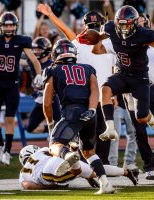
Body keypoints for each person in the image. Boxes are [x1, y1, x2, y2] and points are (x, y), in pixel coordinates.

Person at [77, 6, 154, 158]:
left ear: (135, 24)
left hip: (140, 78)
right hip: (122, 74)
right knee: (105, 89)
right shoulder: (110, 28)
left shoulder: (144, 34)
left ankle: (149, 118)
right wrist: (96, 38)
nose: (124, 28)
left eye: (127, 24)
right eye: (121, 24)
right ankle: (110, 127)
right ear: (116, 23)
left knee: (141, 117)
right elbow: (97, 46)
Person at [37, 4, 115, 165]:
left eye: (96, 26)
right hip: (89, 99)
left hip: (101, 97)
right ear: (85, 27)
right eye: (91, 26)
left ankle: (101, 168)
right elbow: (65, 30)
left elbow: (116, 69)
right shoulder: (79, 44)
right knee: (89, 139)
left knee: (103, 137)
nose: (93, 30)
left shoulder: (109, 45)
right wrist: (51, 15)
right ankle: (92, 169)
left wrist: (116, 93)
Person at [43, 39, 115, 194]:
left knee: (55, 144)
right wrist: (92, 110)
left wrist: (50, 122)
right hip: (90, 113)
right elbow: (95, 89)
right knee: (89, 151)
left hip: (71, 112)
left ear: (55, 54)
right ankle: (105, 183)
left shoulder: (53, 70)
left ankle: (69, 155)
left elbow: (47, 102)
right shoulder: (88, 68)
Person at [0, 12, 43, 165]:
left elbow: (33, 59)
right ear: (1, 26)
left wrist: (39, 74)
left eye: (11, 25)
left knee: (10, 118)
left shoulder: (22, 40)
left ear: (15, 26)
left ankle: (7, 151)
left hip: (12, 85)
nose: (9, 28)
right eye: (6, 25)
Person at [19, 145, 139, 190]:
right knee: (94, 171)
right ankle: (126, 172)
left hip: (46, 172)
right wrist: (88, 178)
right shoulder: (42, 151)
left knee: (62, 177)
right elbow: (55, 150)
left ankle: (73, 161)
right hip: (56, 159)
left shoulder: (23, 172)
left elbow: (28, 185)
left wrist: (49, 185)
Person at [25, 37, 61, 134]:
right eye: (34, 49)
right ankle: (50, 130)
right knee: (30, 128)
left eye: (39, 49)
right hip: (40, 101)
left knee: (59, 125)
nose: (36, 51)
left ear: (46, 50)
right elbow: (21, 61)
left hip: (53, 101)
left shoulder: (53, 65)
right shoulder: (32, 63)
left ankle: (54, 132)